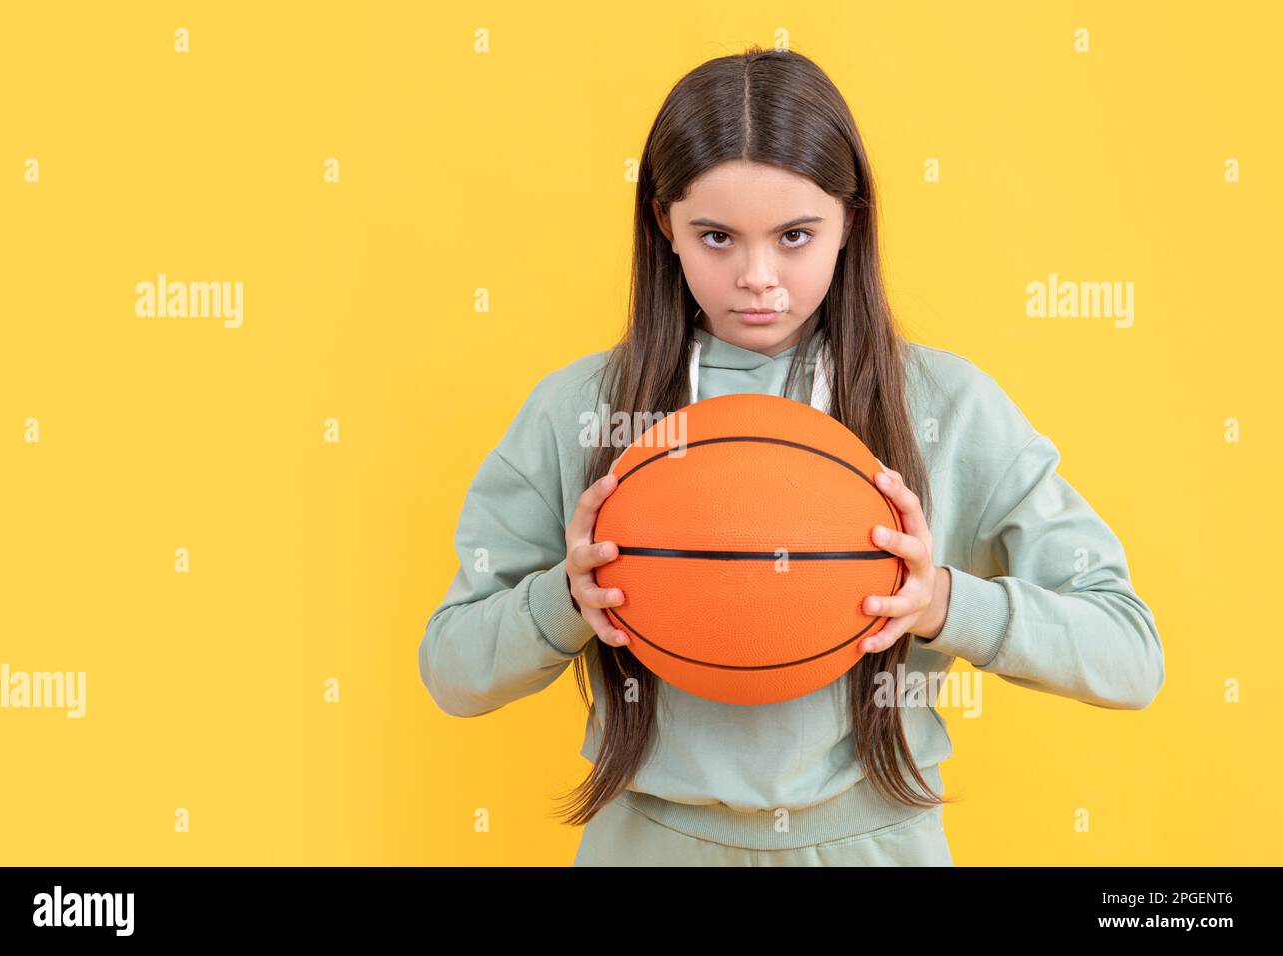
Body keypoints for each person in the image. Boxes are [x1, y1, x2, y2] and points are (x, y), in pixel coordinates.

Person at [418, 46, 1164, 866]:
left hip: (876, 844)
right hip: (648, 843)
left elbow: (1130, 656)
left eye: (795, 236)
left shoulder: (948, 407)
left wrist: (944, 603)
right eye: (717, 237)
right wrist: (567, 600)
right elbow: (452, 671)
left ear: (853, 222)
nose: (758, 278)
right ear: (664, 224)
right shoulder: (582, 410)